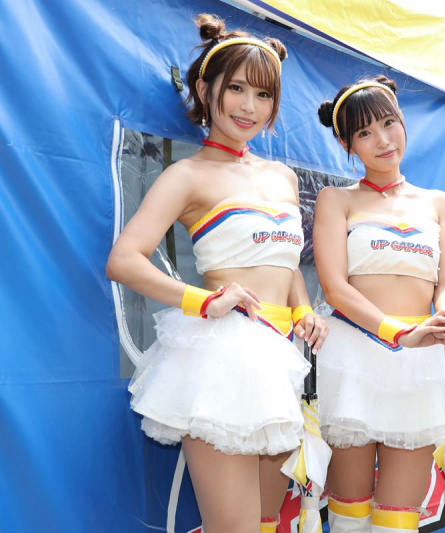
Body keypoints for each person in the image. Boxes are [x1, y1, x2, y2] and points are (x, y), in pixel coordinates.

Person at [106, 14, 328, 533]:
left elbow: (285, 261)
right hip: (224, 362)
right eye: (236, 89)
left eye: (263, 95)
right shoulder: (187, 175)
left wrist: (303, 309)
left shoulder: (282, 177)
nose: (250, 107)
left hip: (282, 360)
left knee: (271, 522)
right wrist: (202, 300)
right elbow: (124, 259)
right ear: (206, 91)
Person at [313, 75, 445, 533]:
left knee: (398, 521)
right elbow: (335, 288)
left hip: (418, 363)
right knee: (349, 515)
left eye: (388, 124)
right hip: (354, 356)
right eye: (364, 132)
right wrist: (400, 333)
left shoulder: (438, 203)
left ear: (403, 122)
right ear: (346, 143)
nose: (382, 140)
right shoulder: (336, 199)